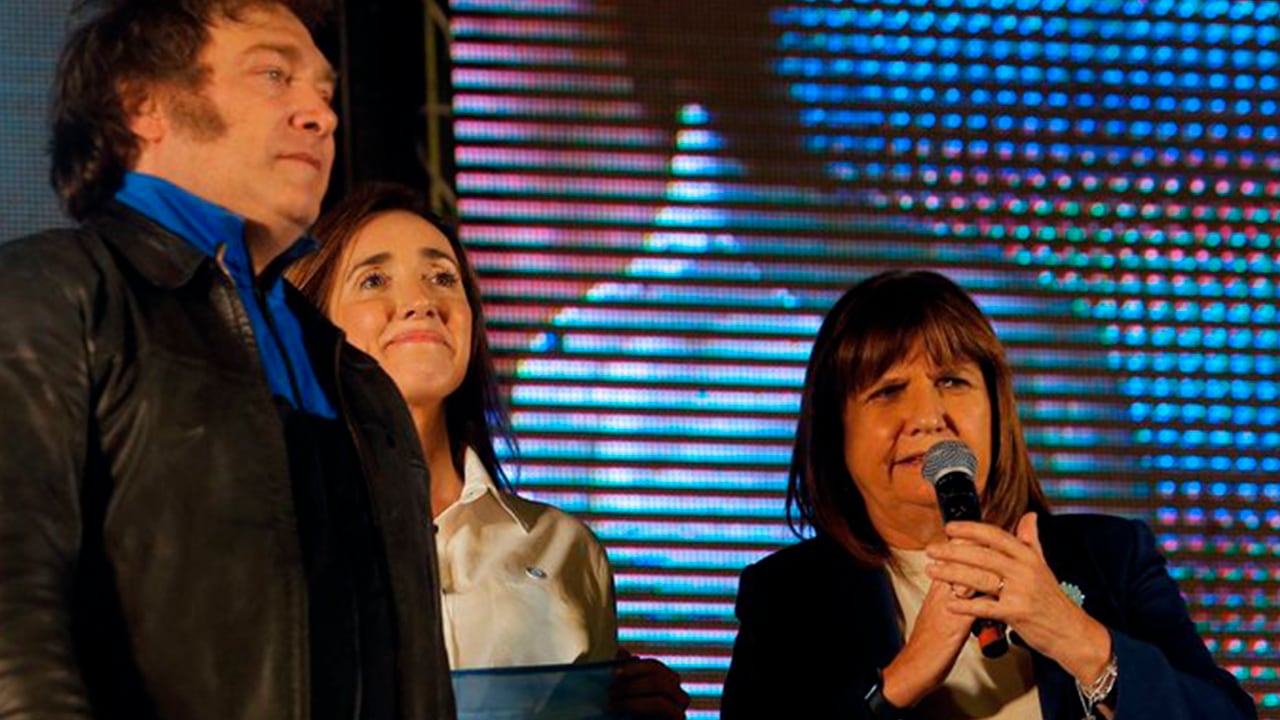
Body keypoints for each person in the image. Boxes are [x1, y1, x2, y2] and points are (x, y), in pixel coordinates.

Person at [0, 2, 453, 719]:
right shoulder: (51, 294)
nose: (320, 116)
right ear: (143, 105)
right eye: (274, 75)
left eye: (326, 94)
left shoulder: (355, 375)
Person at [720, 270, 1257, 719]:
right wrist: (902, 680)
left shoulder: (1110, 556)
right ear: (836, 433)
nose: (929, 418)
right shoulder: (788, 596)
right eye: (888, 391)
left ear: (998, 410)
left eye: (953, 381)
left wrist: (1076, 638)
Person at [286, 181, 691, 719]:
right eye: (375, 279)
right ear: (310, 324)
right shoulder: (274, 539)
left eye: (442, 278)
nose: (420, 302)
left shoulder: (565, 549)